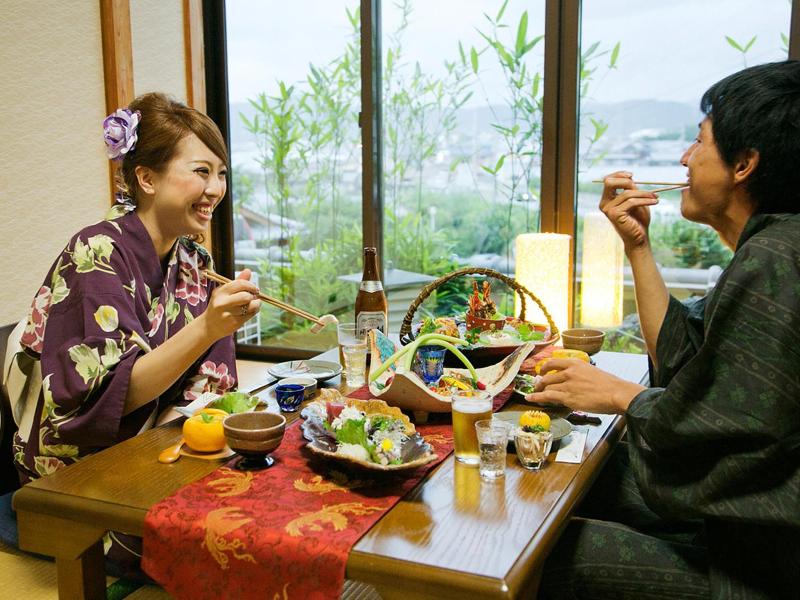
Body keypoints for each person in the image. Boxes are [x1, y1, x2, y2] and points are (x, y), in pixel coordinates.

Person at [531, 61, 800, 599]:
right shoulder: (774, 245)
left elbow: (722, 427)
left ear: (744, 164)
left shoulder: (777, 258)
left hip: (768, 563)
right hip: (749, 527)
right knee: (590, 472)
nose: (684, 158)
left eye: (700, 141)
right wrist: (637, 245)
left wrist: (619, 395)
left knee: (547, 554)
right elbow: (681, 360)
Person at [11, 93, 260, 576]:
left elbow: (209, 382)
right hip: (83, 464)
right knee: (214, 550)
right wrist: (208, 325)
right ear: (146, 178)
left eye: (221, 173)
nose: (215, 188)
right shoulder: (95, 252)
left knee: (257, 500)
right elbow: (106, 397)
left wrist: (217, 338)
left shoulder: (194, 260)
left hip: (164, 443)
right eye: (201, 171)